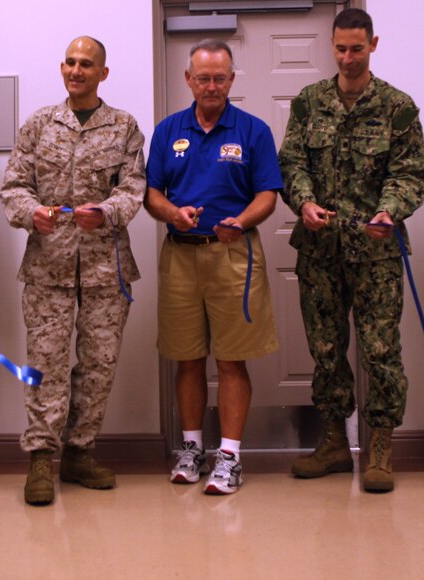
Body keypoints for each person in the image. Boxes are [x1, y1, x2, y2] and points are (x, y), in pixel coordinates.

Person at [278, 8, 424, 494]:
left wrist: (390, 209)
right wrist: (303, 202)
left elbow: (409, 174)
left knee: (380, 350)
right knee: (325, 350)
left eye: (356, 49)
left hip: (376, 253)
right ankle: (334, 443)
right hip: (320, 250)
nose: (347, 58)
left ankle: (380, 446)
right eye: (340, 48)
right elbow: (292, 162)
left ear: (373, 45)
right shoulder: (308, 103)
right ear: (332, 45)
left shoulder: (397, 107)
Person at [0, 36, 145, 506]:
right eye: (70, 62)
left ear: (103, 73)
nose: (76, 70)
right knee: (45, 366)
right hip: (48, 265)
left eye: (87, 64)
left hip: (107, 267)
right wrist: (31, 213)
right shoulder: (40, 124)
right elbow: (14, 186)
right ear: (62, 68)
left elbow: (134, 188)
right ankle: (41, 458)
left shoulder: (123, 127)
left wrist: (106, 210)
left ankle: (81, 452)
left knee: (98, 366)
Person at [145, 39, 282, 496]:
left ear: (231, 80)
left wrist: (241, 221)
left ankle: (229, 457)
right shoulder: (168, 131)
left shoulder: (253, 130)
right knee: (186, 358)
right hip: (181, 253)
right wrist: (172, 213)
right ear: (188, 79)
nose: (211, 86)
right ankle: (190, 450)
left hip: (233, 254)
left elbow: (268, 193)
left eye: (219, 78)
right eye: (202, 77)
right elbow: (152, 192)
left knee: (230, 359)